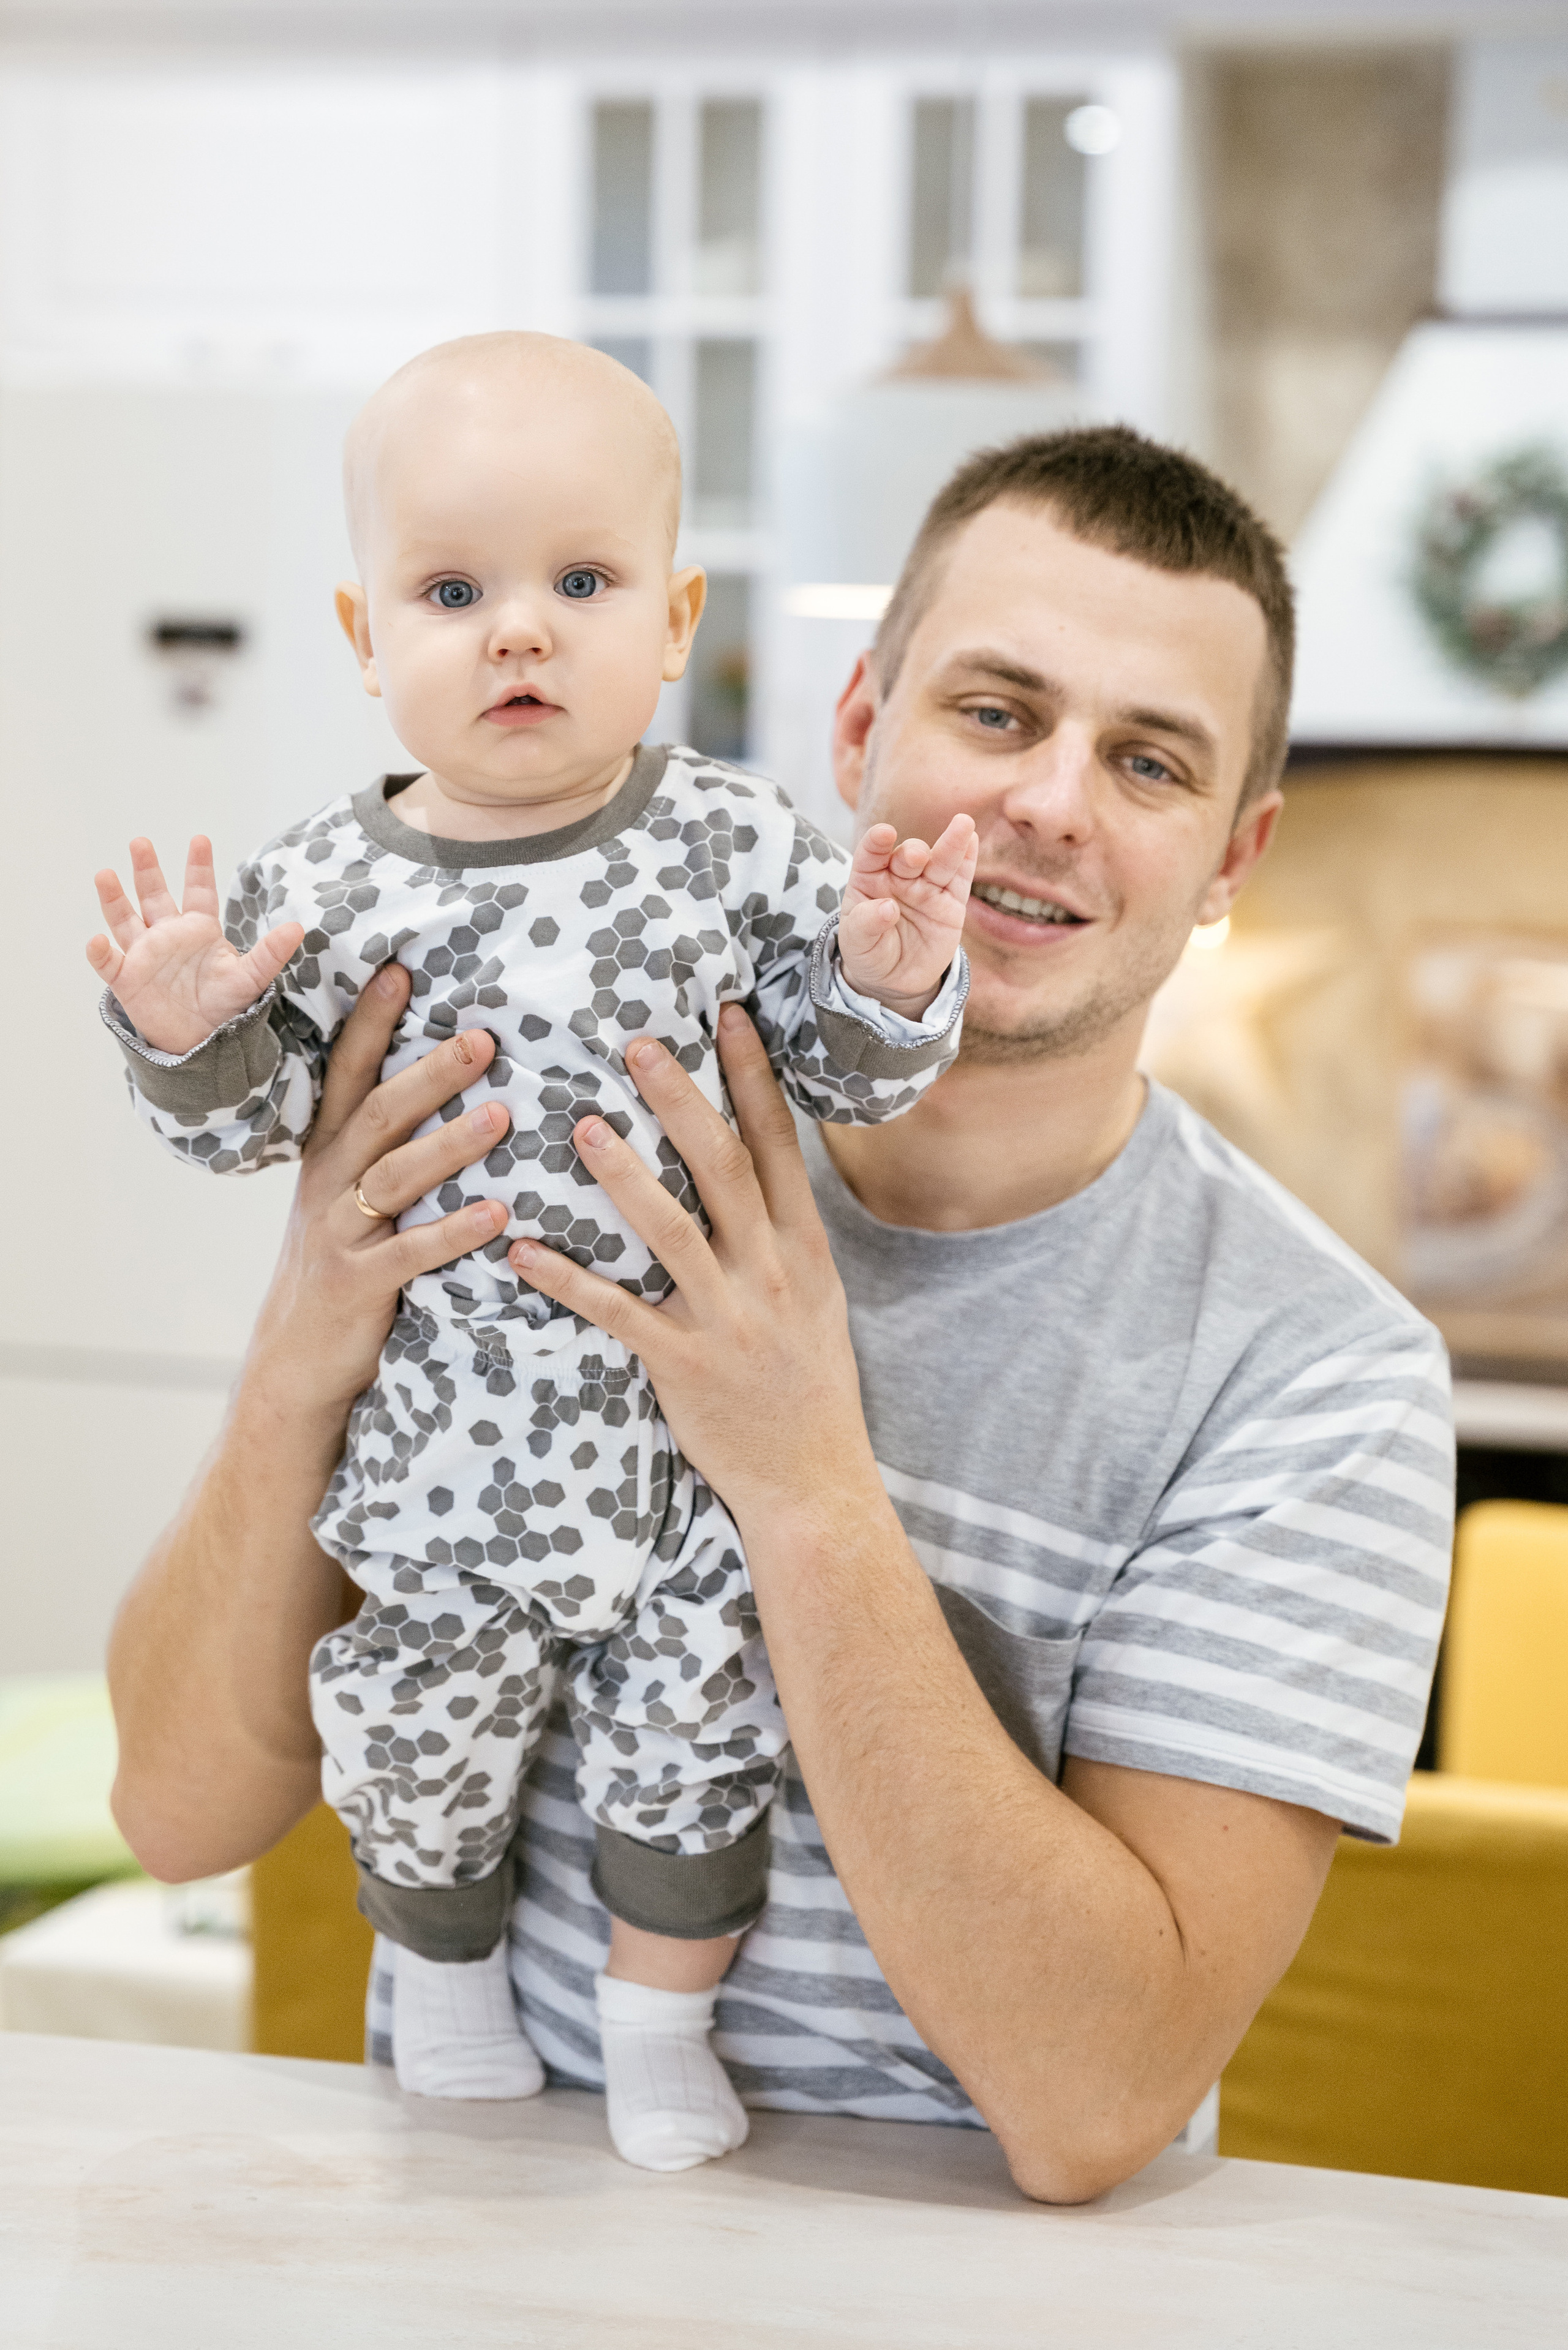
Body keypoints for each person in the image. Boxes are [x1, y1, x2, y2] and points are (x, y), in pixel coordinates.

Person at [107, 424, 1453, 2206]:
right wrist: (300, 1357)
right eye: (996, 711)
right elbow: (175, 1814)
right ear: (858, 725)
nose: (1053, 802)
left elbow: (1095, 2098)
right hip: (463, 2253)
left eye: (1149, 761)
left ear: (1232, 856)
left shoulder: (1322, 1376)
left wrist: (807, 1479)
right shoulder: (554, 1142)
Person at [85, 332, 975, 2170]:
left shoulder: (734, 841)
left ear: (676, 618)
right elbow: (246, 1130)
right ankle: (449, 1985)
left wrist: (890, 978)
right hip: (436, 1458)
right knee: (414, 1729)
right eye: (451, 592)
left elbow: (840, 1069)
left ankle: (660, 2022)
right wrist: (188, 1034)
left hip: (687, 1451)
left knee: (701, 1725)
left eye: (581, 582)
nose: (518, 633)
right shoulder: (321, 886)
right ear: (363, 636)